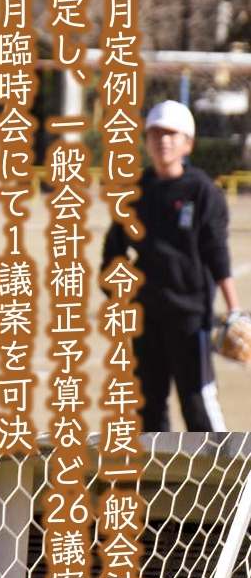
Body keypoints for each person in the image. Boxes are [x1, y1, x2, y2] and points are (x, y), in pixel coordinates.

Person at [101, 99, 242, 432]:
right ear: (147, 141)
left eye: (172, 134)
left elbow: (215, 250)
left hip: (190, 318)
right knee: (148, 405)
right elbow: (113, 252)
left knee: (197, 404)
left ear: (188, 143)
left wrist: (234, 307)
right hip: (145, 317)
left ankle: (221, 478)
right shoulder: (135, 192)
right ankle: (159, 481)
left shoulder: (202, 191)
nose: (163, 140)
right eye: (156, 133)